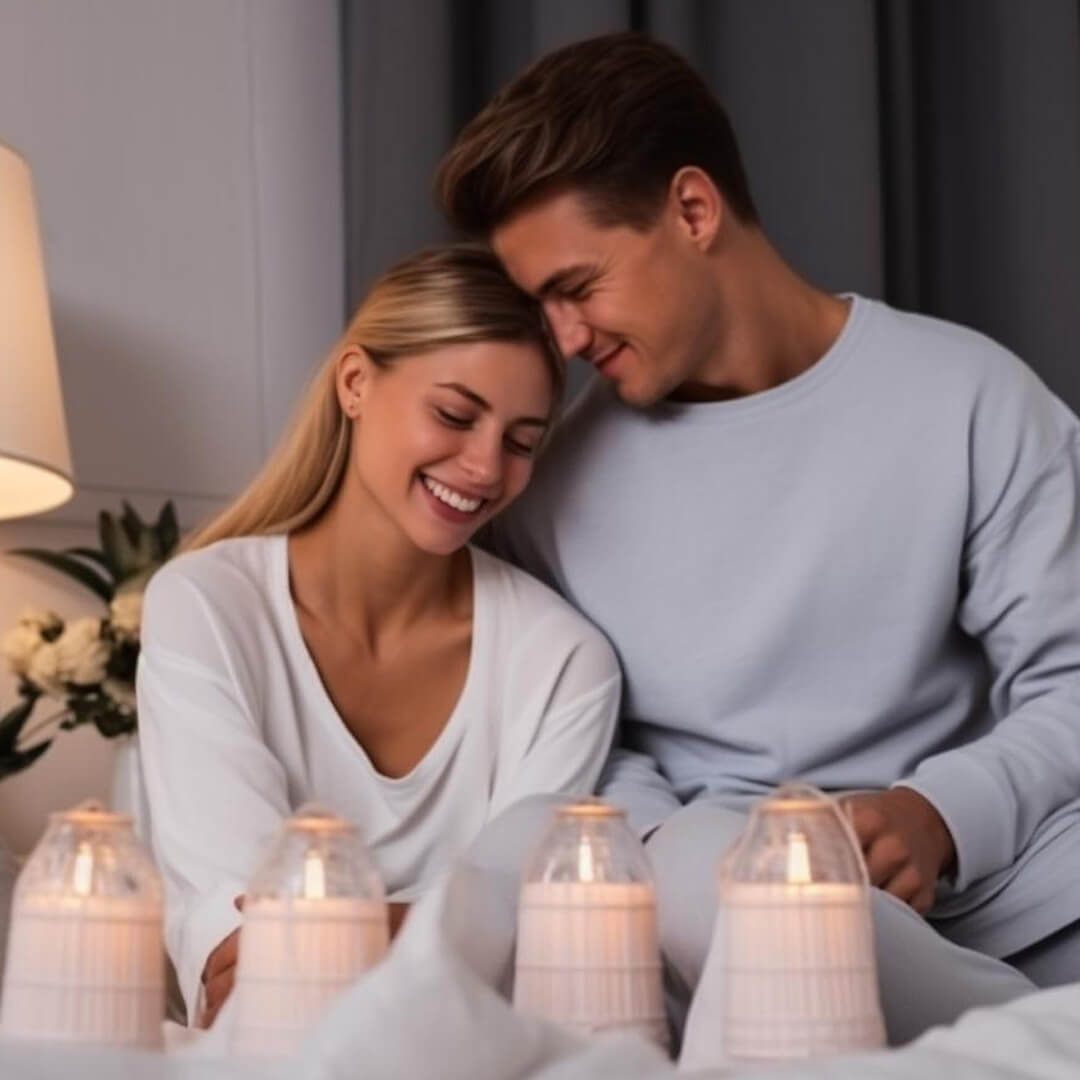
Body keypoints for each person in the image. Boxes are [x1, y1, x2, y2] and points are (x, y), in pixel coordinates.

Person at [436, 32, 1080, 1041]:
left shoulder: (972, 399)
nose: (560, 340)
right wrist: (678, 848)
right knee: (650, 873)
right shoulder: (550, 487)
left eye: (577, 286)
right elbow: (586, 740)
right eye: (539, 306)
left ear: (693, 211)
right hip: (727, 919)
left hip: (1017, 900)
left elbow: (1075, 679)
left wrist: (942, 811)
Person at [136, 245, 620, 1027]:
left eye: (523, 441)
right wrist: (457, 934)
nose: (484, 466)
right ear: (356, 382)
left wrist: (333, 940)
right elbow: (243, 959)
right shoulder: (208, 606)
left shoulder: (563, 664)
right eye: (455, 416)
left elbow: (543, 950)